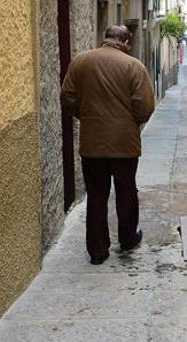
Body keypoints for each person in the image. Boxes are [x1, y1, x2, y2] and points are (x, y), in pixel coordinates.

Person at [61, 25, 155, 264]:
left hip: (92, 143)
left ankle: (97, 250)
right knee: (126, 192)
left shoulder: (81, 62)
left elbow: (67, 97)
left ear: (106, 39)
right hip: (125, 144)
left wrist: (88, 116)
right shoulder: (133, 66)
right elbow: (145, 108)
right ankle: (127, 238)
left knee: (96, 195)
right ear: (125, 42)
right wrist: (128, 121)